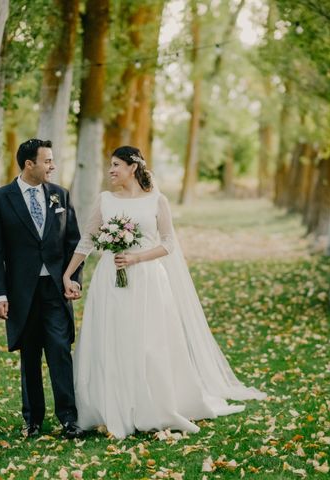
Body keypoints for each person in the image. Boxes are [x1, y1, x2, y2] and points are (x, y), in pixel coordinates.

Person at [62, 145, 266, 439]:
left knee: (148, 342)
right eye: (110, 165)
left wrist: (136, 258)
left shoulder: (157, 201)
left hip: (147, 281)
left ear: (133, 167)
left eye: (116, 165)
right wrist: (68, 273)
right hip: (110, 281)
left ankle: (151, 405)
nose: (111, 170)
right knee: (112, 338)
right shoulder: (104, 200)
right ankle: (111, 405)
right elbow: (88, 240)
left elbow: (169, 243)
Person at [0, 138, 85, 439]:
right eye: (48, 161)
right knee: (29, 356)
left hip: (55, 290)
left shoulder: (60, 196)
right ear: (30, 164)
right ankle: (33, 420)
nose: (53, 166)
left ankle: (69, 418)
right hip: (21, 293)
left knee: (59, 352)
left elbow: (73, 243)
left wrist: (74, 277)